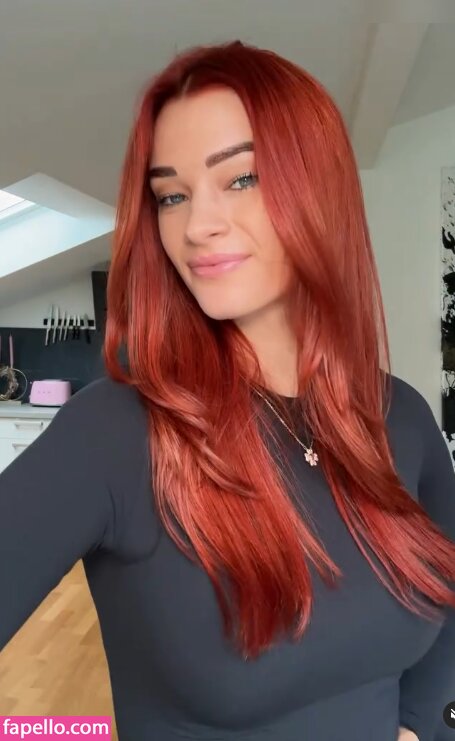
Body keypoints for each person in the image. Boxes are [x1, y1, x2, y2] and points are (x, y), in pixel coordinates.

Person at [1, 40, 455, 741]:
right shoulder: (117, 434)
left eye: (240, 178)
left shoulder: (401, 417)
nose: (196, 225)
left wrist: (422, 726)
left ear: (319, 186)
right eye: (171, 195)